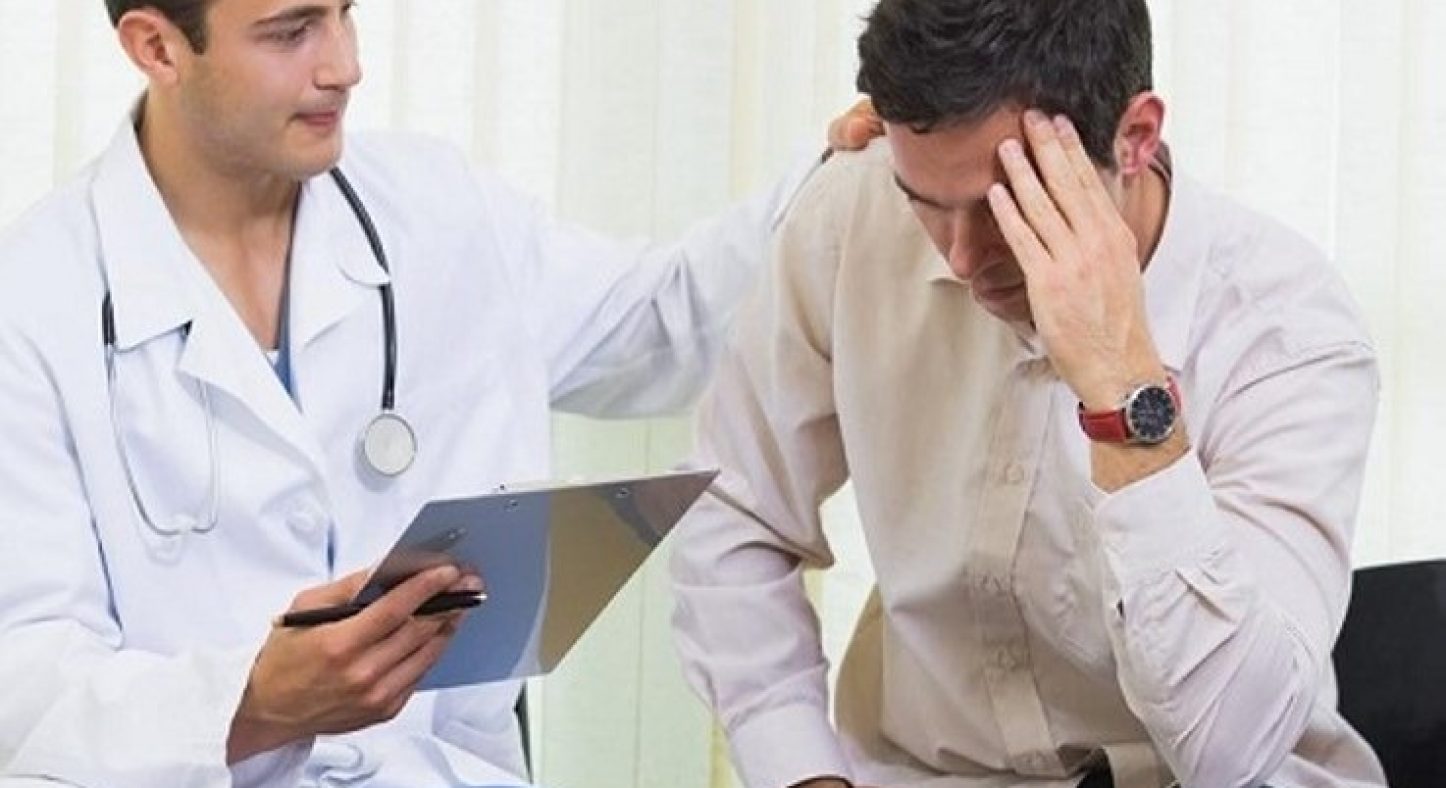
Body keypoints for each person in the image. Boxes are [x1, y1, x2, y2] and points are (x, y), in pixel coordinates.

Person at [0, 1, 871, 786]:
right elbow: (23, 684)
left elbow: (661, 321)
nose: (344, 65)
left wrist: (839, 175)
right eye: (292, 31)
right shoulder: (33, 302)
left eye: (345, 14)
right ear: (156, 47)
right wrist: (255, 703)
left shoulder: (437, 210)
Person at [669, 1, 1387, 787]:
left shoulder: (1287, 329)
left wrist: (1122, 385)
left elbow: (1230, 752)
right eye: (926, 203)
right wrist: (806, 773)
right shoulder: (850, 214)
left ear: (1136, 137)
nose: (963, 257)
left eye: (1005, 206)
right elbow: (735, 515)